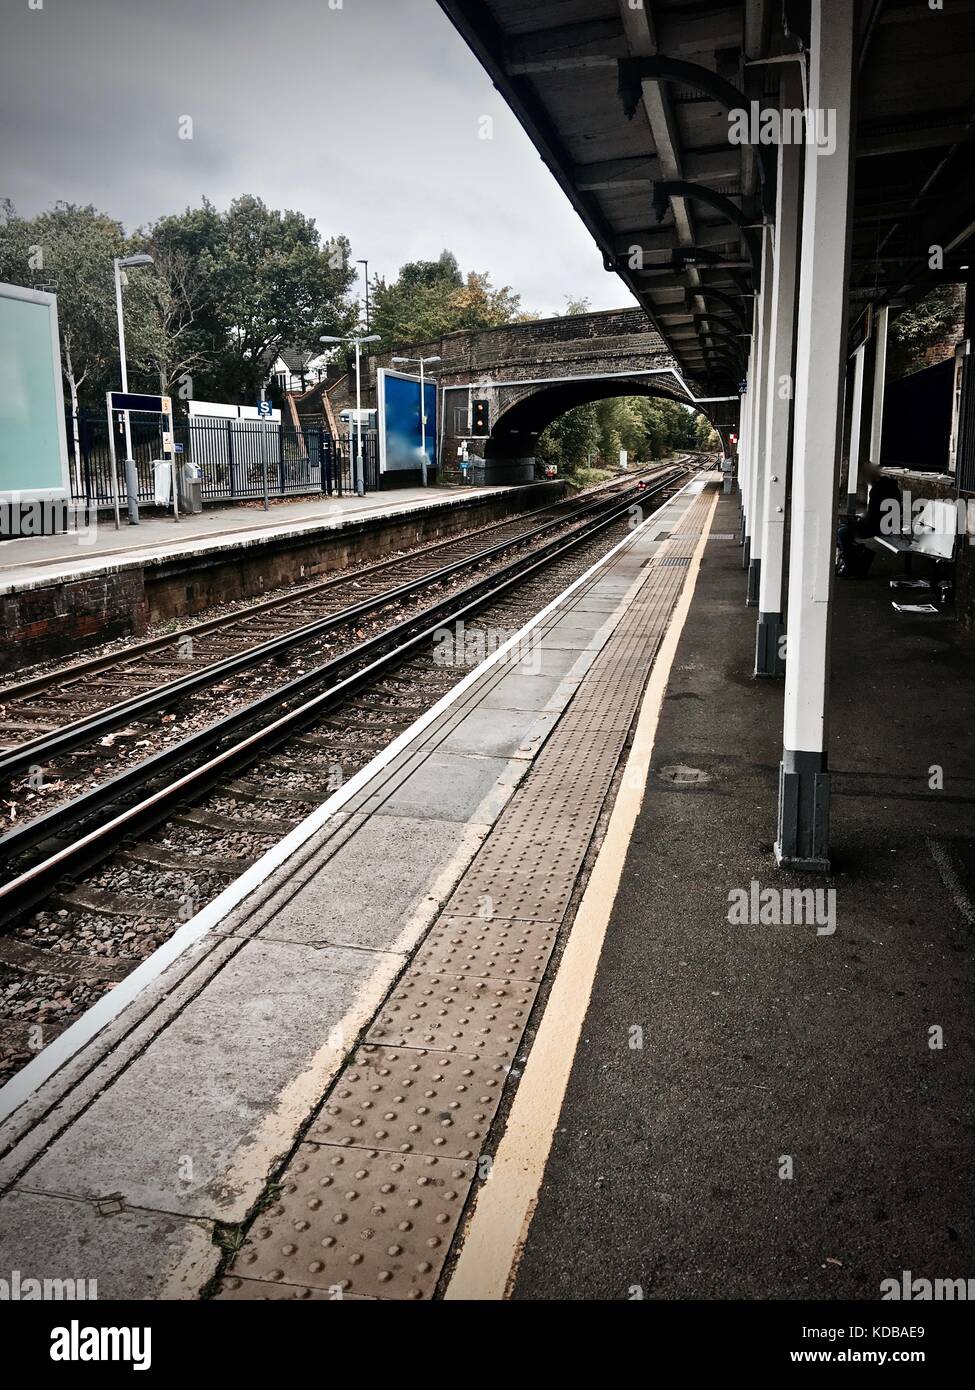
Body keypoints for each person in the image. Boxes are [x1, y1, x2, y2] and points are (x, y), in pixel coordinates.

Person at [836, 462, 902, 578]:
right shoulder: (890, 486)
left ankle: (851, 568)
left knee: (842, 532)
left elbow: (875, 518)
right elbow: (879, 512)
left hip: (880, 527)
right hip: (885, 524)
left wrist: (859, 521)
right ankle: (853, 558)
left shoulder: (878, 490)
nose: (865, 480)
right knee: (844, 528)